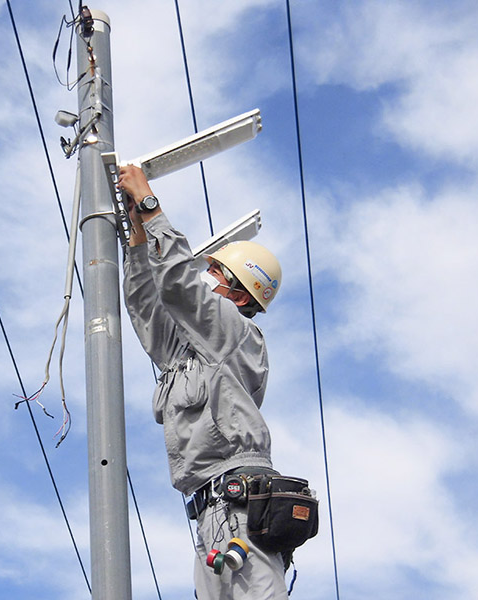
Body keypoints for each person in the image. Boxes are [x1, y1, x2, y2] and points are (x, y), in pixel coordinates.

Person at [118, 165, 288, 600]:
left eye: (214, 273)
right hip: (210, 509)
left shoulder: (235, 334)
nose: (205, 277)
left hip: (241, 503)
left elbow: (178, 286)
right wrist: (138, 240)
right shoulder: (190, 353)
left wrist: (151, 207)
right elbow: (148, 310)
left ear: (238, 294)